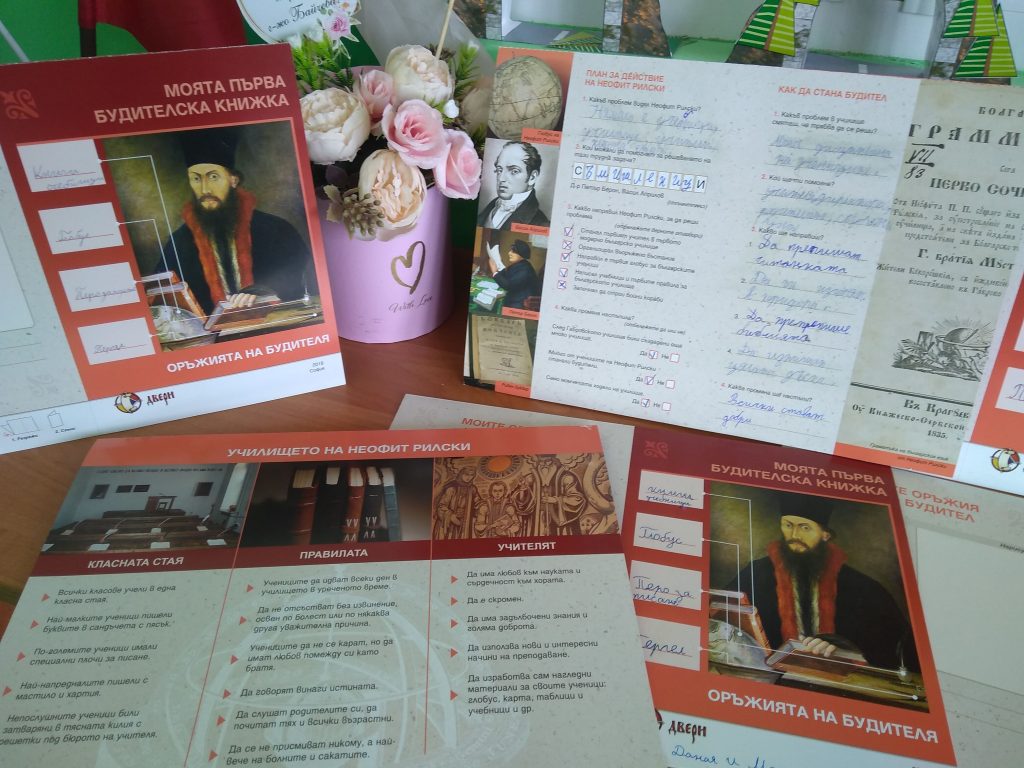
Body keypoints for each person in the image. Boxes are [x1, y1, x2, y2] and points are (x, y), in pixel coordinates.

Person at [727, 494, 917, 670]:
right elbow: (724, 625)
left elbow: (894, 648)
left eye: (805, 528)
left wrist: (842, 648)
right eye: (788, 525)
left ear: (825, 535)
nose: (794, 535)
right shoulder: (755, 573)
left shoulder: (862, 588)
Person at [160, 127, 313, 316]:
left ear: (233, 180)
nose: (205, 189)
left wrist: (263, 292)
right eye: (196, 179)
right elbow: (166, 301)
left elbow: (302, 279)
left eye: (213, 177)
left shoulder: (276, 230)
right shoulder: (179, 243)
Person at [477, 141, 550, 230]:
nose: (501, 178)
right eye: (499, 170)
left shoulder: (541, 223)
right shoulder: (490, 207)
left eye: (514, 171)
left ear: (532, 177)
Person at [434, 466, 487, 540]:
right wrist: (451, 516)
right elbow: (441, 506)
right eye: (466, 474)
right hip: (448, 523)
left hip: (464, 523)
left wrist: (482, 507)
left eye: (471, 475)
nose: (469, 477)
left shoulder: (472, 489)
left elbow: (478, 501)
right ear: (461, 474)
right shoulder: (451, 488)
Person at [488, 238, 540, 310]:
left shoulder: (525, 270)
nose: (509, 253)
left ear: (522, 255)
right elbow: (504, 274)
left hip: (521, 304)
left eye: (513, 252)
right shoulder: (518, 264)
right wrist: (498, 264)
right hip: (514, 299)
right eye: (510, 250)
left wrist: (494, 272)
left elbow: (508, 285)